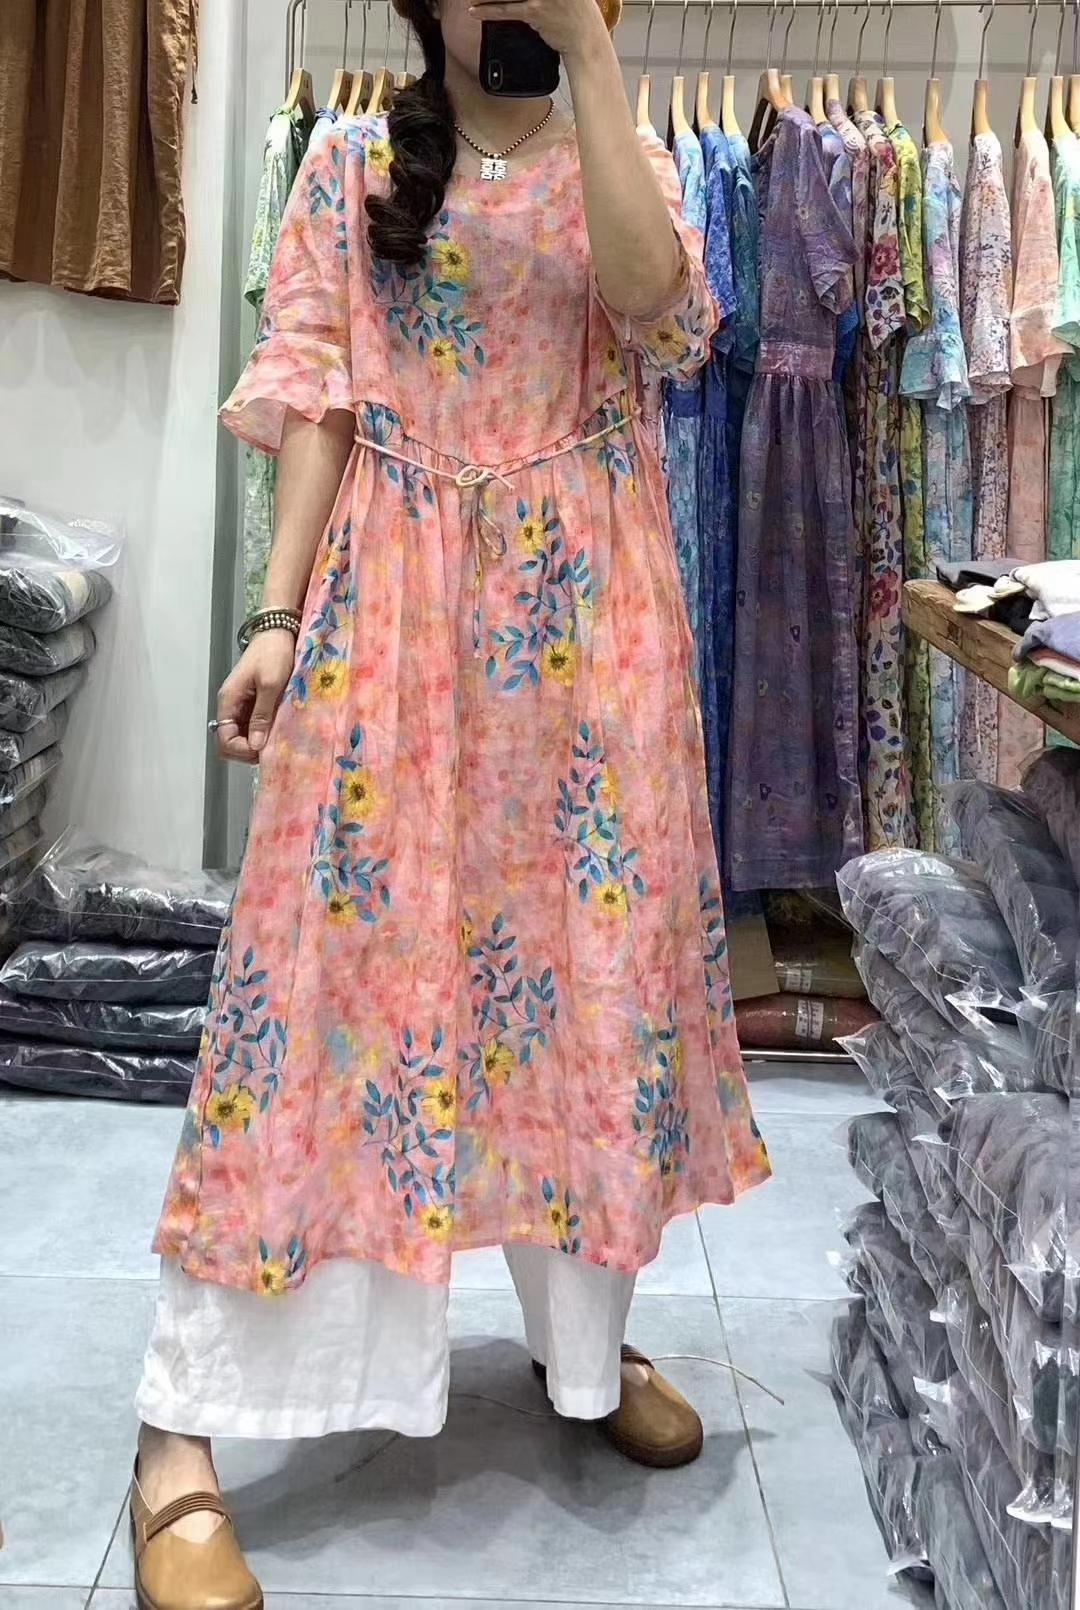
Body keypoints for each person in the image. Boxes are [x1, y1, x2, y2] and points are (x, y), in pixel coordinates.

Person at [130, 0, 771, 1602]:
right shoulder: (353, 159)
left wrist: (596, 60)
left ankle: (581, 1352)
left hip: (590, 633)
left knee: (585, 998)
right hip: (396, 615)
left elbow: (669, 321)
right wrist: (275, 618)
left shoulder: (622, 155)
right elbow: (321, 404)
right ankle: (181, 1427)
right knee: (319, 1002)